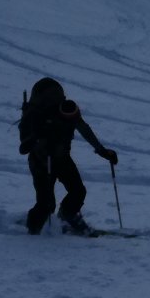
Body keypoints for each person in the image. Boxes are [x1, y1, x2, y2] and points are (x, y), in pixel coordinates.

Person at [19, 77, 118, 234]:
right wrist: (39, 139)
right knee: (46, 203)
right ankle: (33, 230)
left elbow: (84, 128)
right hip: (41, 162)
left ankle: (68, 215)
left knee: (78, 191)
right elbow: (24, 146)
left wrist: (102, 151)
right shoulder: (36, 116)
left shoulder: (68, 110)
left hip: (62, 158)